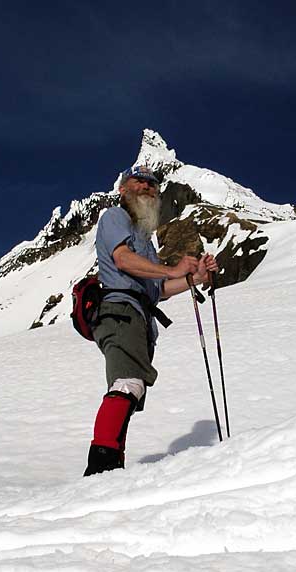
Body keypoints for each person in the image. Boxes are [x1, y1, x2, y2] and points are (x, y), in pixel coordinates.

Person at [84, 165, 218, 476]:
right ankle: (101, 469)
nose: (147, 186)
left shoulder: (145, 238)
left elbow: (158, 290)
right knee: (127, 384)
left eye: (152, 183)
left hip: (138, 317)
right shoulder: (115, 217)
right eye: (139, 181)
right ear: (123, 188)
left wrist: (193, 278)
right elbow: (122, 259)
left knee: (130, 389)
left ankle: (111, 465)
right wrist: (172, 270)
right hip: (120, 312)